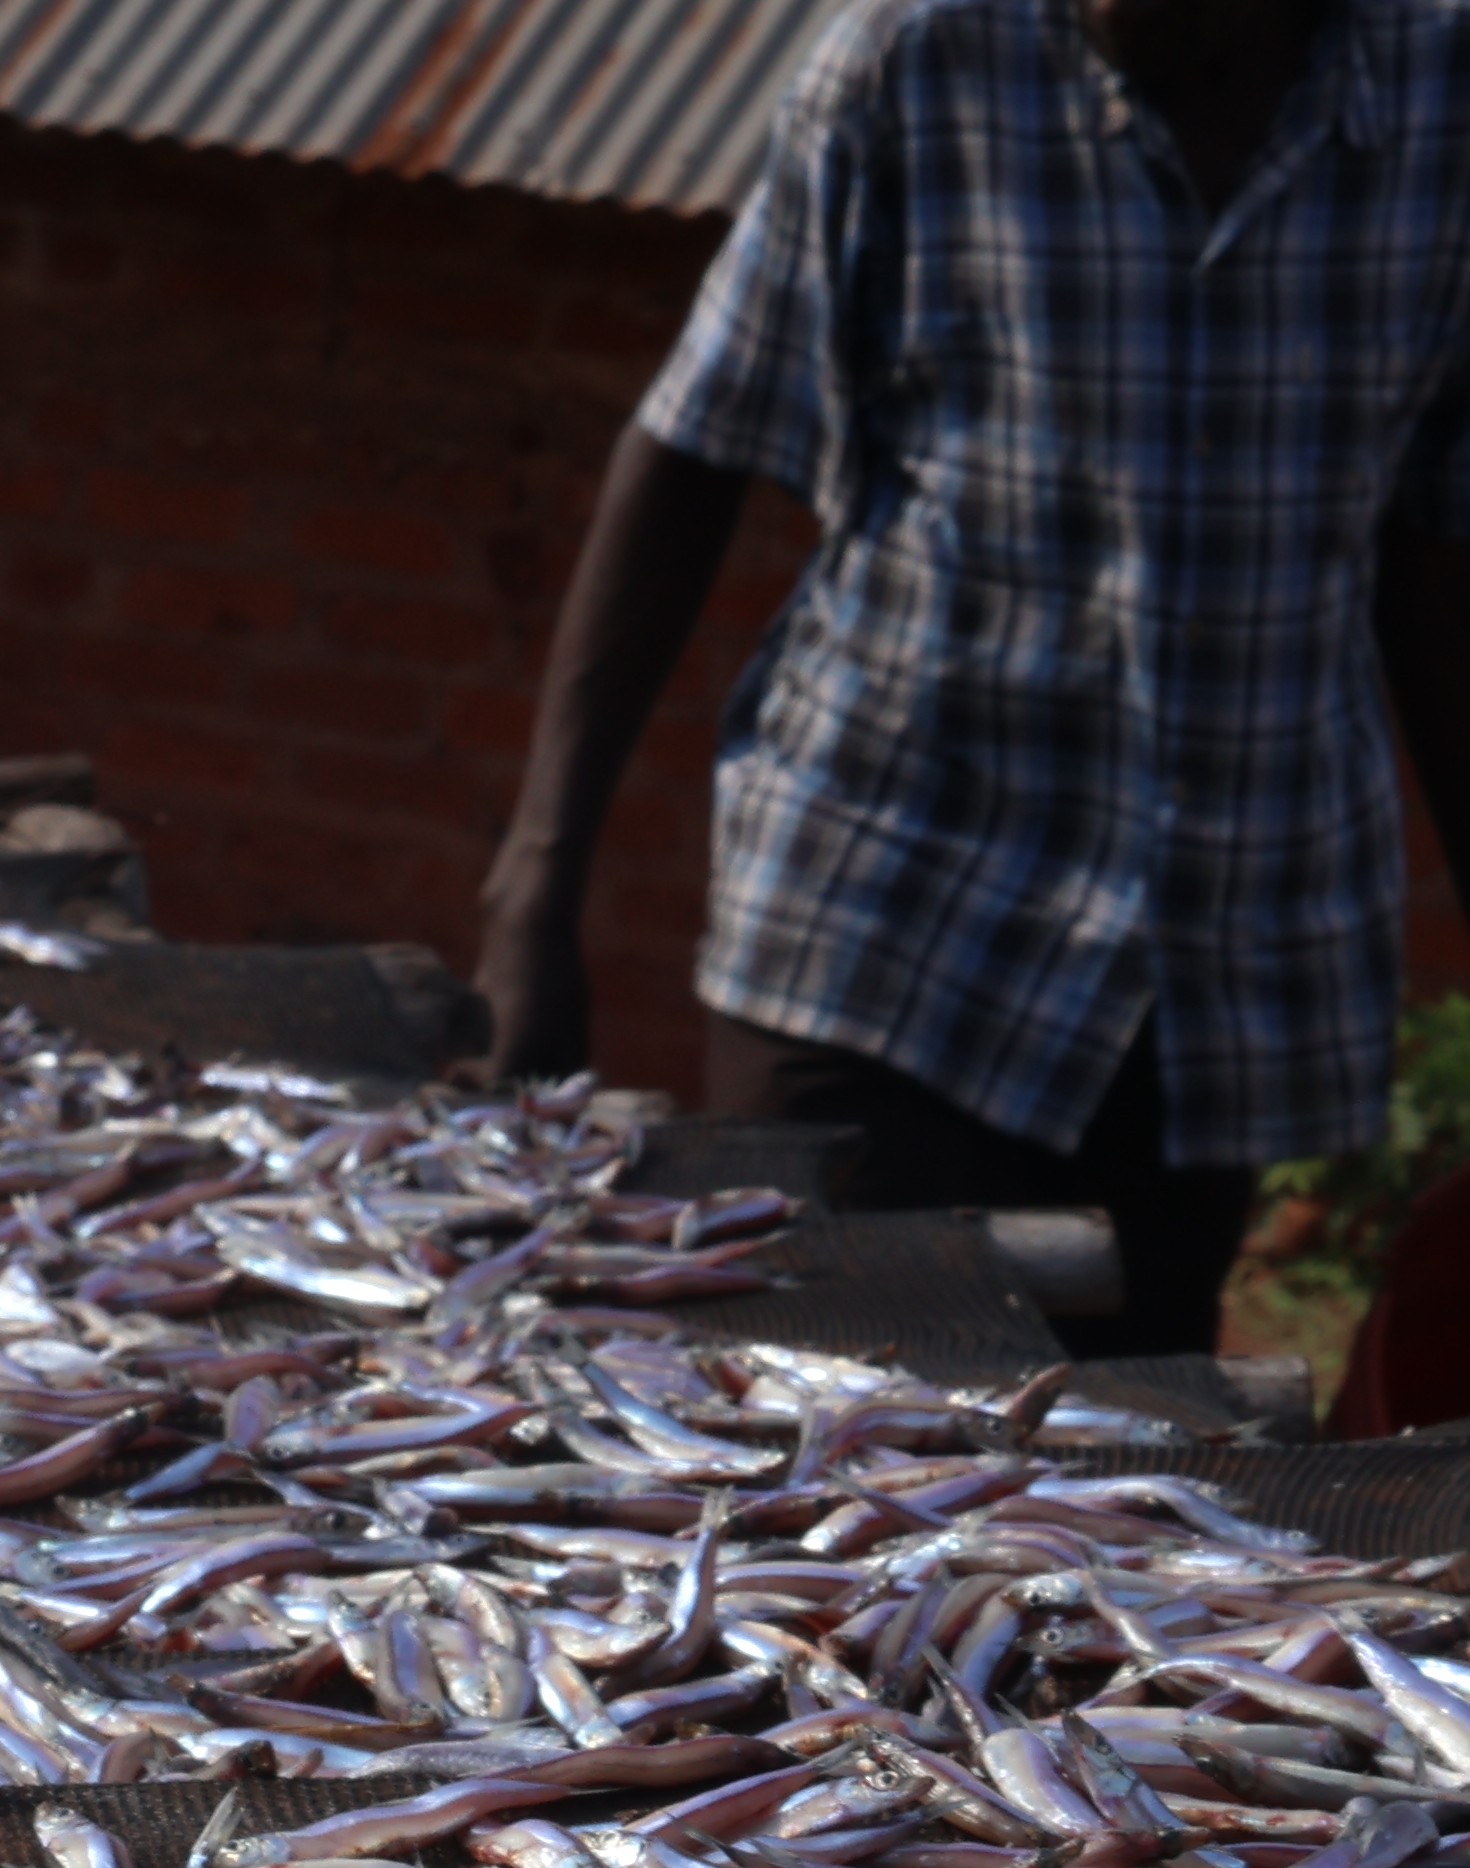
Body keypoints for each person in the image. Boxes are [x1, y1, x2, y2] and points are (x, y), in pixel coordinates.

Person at [473, 0, 1470, 1359]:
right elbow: (697, 443)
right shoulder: (916, 61)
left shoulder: (1438, 97)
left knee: (1116, 1486)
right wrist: (539, 884)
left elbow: (1437, 551)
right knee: (819, 1434)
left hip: (1215, 973)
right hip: (891, 925)